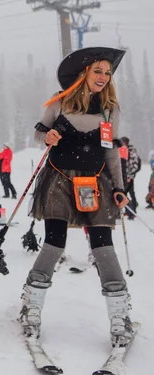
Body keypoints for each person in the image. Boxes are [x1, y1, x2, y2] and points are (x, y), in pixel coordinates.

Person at [19, 47, 134, 348]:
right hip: (58, 179)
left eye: (107, 73)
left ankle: (120, 316)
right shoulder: (59, 102)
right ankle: (31, 307)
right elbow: (39, 131)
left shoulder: (110, 110)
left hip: (95, 183)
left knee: (103, 247)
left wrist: (120, 187)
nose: (103, 77)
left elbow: (110, 152)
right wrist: (47, 136)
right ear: (84, 72)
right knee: (54, 244)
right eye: (98, 70)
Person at [122, 136, 140, 219]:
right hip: (124, 176)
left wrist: (129, 176)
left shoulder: (131, 151)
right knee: (125, 194)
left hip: (129, 176)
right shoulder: (123, 150)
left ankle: (132, 212)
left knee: (130, 193)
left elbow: (134, 165)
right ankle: (128, 211)